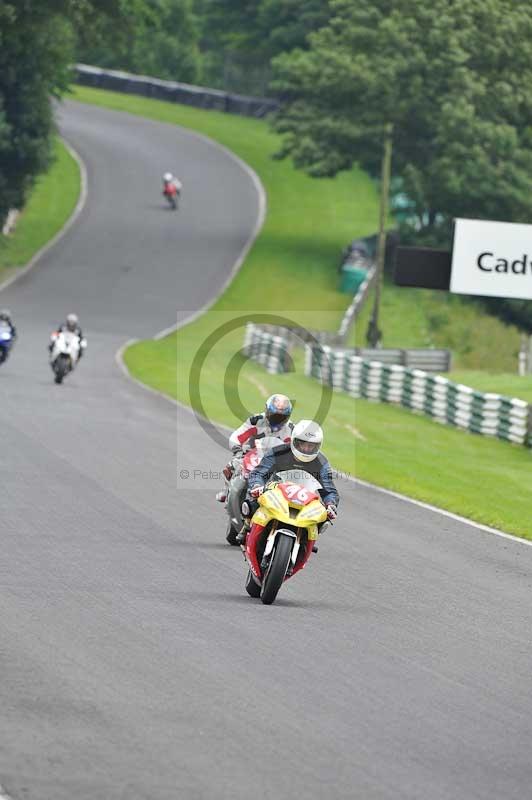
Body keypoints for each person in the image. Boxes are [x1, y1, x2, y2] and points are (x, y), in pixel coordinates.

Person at [241, 419, 339, 545]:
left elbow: (329, 489)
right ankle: (247, 526)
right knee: (251, 503)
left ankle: (305, 542)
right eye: (302, 444)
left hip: (304, 499)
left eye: (311, 446)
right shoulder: (278, 452)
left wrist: (331, 504)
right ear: (294, 441)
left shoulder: (322, 462)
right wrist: (257, 485)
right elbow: (259, 473)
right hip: (276, 492)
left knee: (323, 519)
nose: (306, 449)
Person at [215, 394, 294, 503]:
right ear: (267, 411)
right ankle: (227, 490)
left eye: (281, 417)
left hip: (274, 460)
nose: (277, 420)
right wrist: (238, 450)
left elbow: (292, 449)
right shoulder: (256, 421)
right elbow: (237, 436)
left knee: (287, 477)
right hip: (251, 454)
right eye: (274, 416)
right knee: (233, 465)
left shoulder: (290, 429)